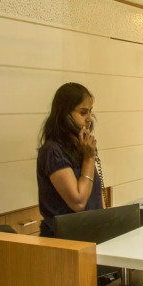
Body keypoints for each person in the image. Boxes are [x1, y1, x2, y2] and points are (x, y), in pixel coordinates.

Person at [36, 82, 103, 237]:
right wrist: (89, 158)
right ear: (65, 115)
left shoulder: (80, 148)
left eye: (90, 112)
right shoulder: (53, 151)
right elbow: (78, 202)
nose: (89, 119)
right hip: (65, 240)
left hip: (91, 234)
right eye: (83, 112)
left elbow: (96, 197)